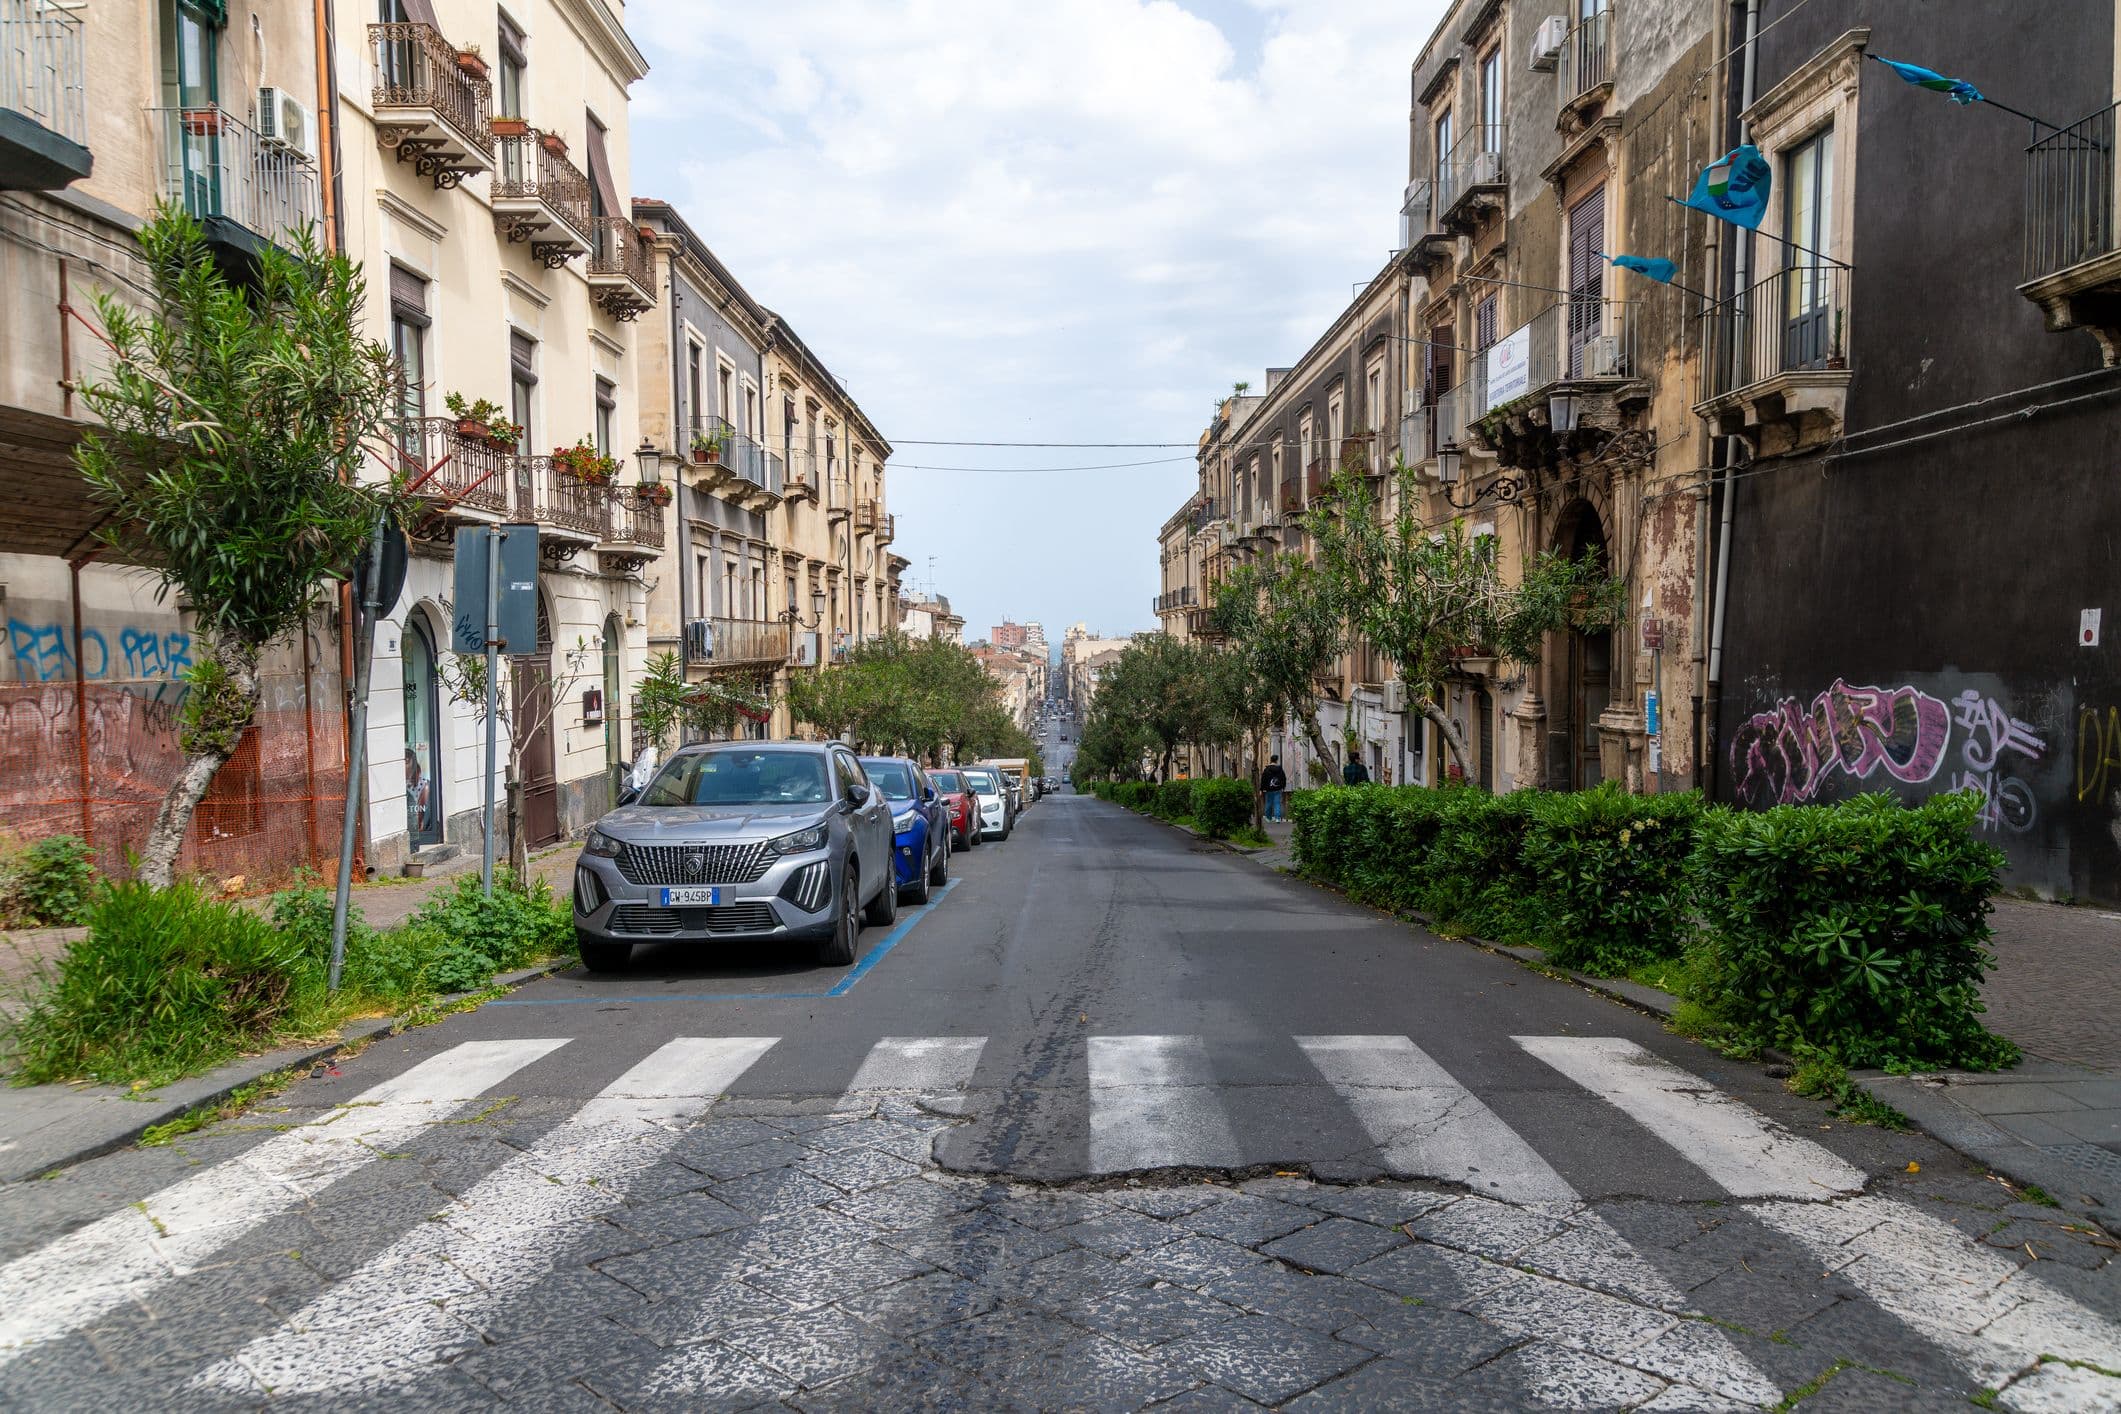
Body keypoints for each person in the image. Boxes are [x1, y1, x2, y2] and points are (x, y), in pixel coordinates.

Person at [1259, 755, 1287, 822]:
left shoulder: (1267, 769)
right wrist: (1283, 786)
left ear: (1270, 760)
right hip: (1278, 789)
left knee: (1268, 803)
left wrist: (1261, 789)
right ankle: (1277, 818)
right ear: (1276, 760)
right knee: (1277, 803)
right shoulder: (1280, 769)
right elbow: (1283, 778)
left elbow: (1263, 779)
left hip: (1269, 789)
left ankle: (1268, 818)